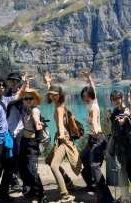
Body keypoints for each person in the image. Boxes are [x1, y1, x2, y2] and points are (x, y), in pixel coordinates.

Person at [44, 73, 81, 203]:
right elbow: (52, 92)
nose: (52, 96)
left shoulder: (60, 108)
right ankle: (68, 182)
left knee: (54, 165)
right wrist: (48, 82)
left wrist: (60, 134)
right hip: (61, 138)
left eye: (55, 95)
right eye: (51, 94)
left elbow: (60, 122)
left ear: (59, 96)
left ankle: (65, 195)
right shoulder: (58, 103)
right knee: (49, 160)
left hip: (63, 139)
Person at [80, 70, 116, 203]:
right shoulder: (92, 103)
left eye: (86, 96)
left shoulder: (94, 107)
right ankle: (92, 184)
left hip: (97, 137)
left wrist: (95, 129)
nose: (84, 99)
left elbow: (95, 121)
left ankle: (106, 197)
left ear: (90, 96)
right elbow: (93, 88)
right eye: (83, 97)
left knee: (95, 166)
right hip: (92, 138)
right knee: (83, 158)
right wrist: (89, 78)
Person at [18, 88, 48, 203]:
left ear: (34, 100)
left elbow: (36, 118)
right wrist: (25, 85)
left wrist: (37, 123)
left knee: (32, 170)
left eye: (31, 98)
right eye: (26, 98)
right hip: (23, 142)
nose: (28, 100)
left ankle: (41, 194)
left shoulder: (35, 110)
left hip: (32, 143)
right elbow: (19, 95)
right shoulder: (26, 108)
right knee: (22, 167)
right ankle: (31, 189)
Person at [108, 90, 131, 201]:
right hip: (120, 147)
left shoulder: (127, 110)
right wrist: (110, 118)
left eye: (117, 98)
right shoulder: (115, 111)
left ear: (121, 98)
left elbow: (127, 114)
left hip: (129, 147)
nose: (116, 101)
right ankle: (125, 198)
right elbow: (113, 128)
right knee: (122, 172)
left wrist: (125, 118)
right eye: (114, 99)